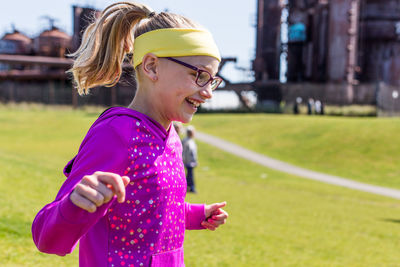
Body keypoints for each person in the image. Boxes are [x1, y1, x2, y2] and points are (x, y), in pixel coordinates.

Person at [31, 2, 228, 267]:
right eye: (198, 75)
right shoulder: (117, 133)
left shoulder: (170, 136)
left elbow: (148, 207)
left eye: (212, 80)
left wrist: (195, 214)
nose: (208, 92)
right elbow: (46, 237)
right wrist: (75, 204)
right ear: (152, 67)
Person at [182, 126, 198, 193]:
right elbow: (184, 152)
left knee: (189, 175)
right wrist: (183, 160)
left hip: (192, 161)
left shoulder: (191, 141)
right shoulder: (185, 141)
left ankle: (189, 187)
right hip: (188, 162)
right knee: (190, 175)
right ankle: (191, 187)